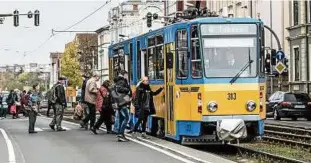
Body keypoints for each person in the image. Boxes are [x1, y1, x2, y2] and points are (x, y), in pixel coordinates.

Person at [112, 70, 132, 142]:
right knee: (126, 118)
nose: (127, 76)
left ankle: (121, 135)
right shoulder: (122, 81)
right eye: (126, 75)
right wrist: (127, 90)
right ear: (124, 75)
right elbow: (120, 89)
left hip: (119, 102)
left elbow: (115, 91)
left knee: (121, 118)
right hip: (123, 102)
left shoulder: (117, 81)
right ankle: (121, 134)